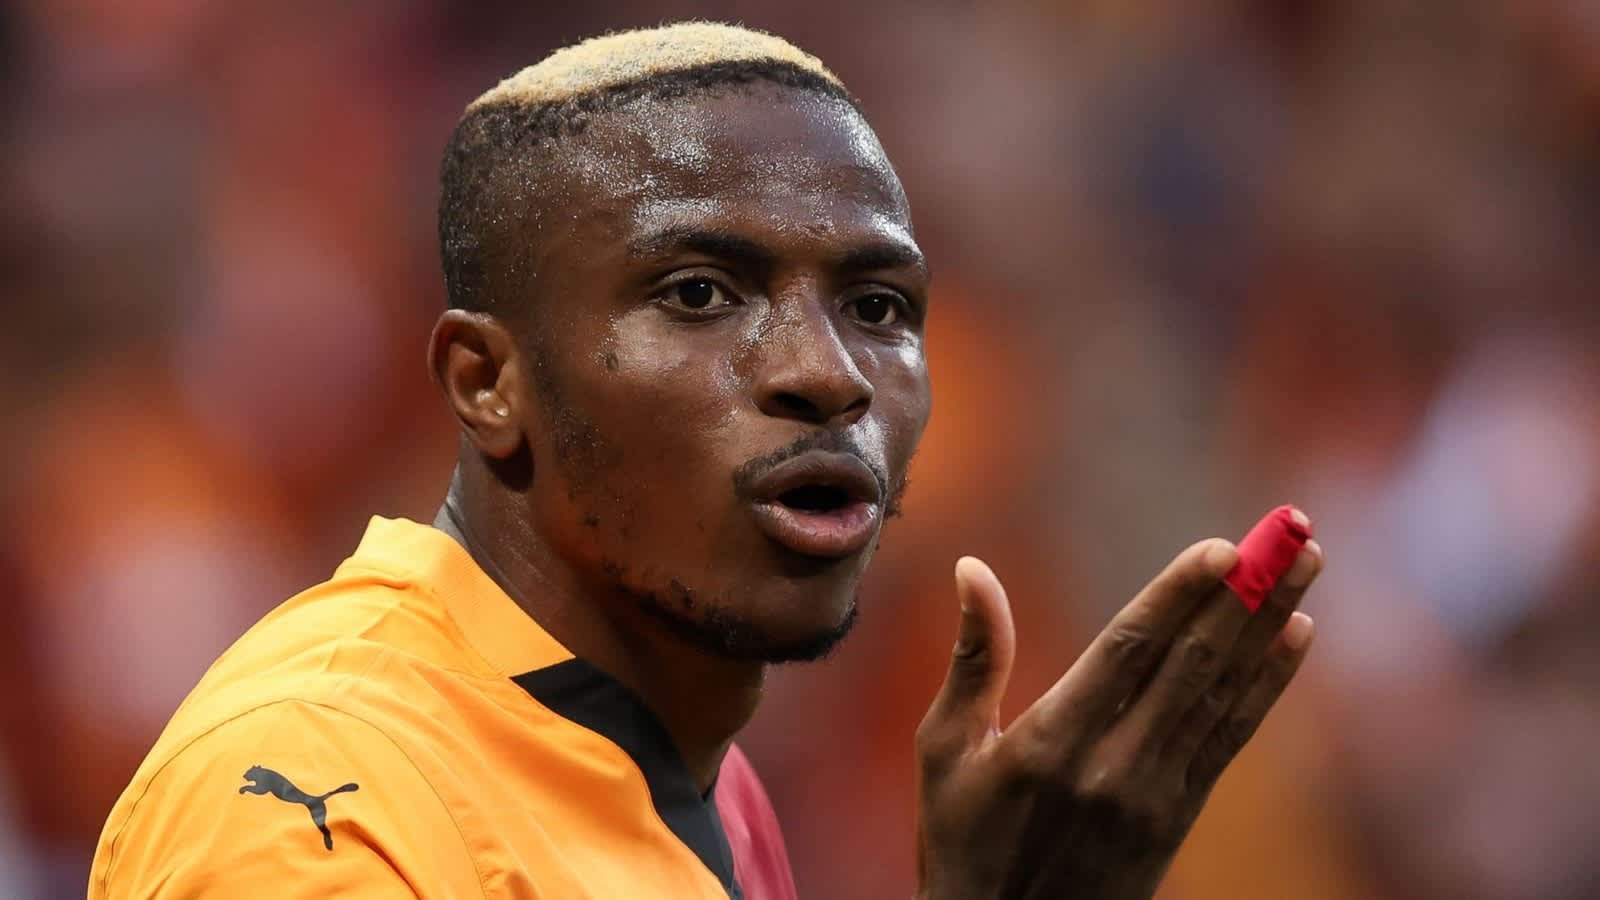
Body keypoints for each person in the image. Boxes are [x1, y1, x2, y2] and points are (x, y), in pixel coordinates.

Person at [87, 22, 1322, 900]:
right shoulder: (318, 793)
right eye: (698, 292)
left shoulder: (706, 791)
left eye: (877, 306)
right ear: (485, 381)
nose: (827, 373)